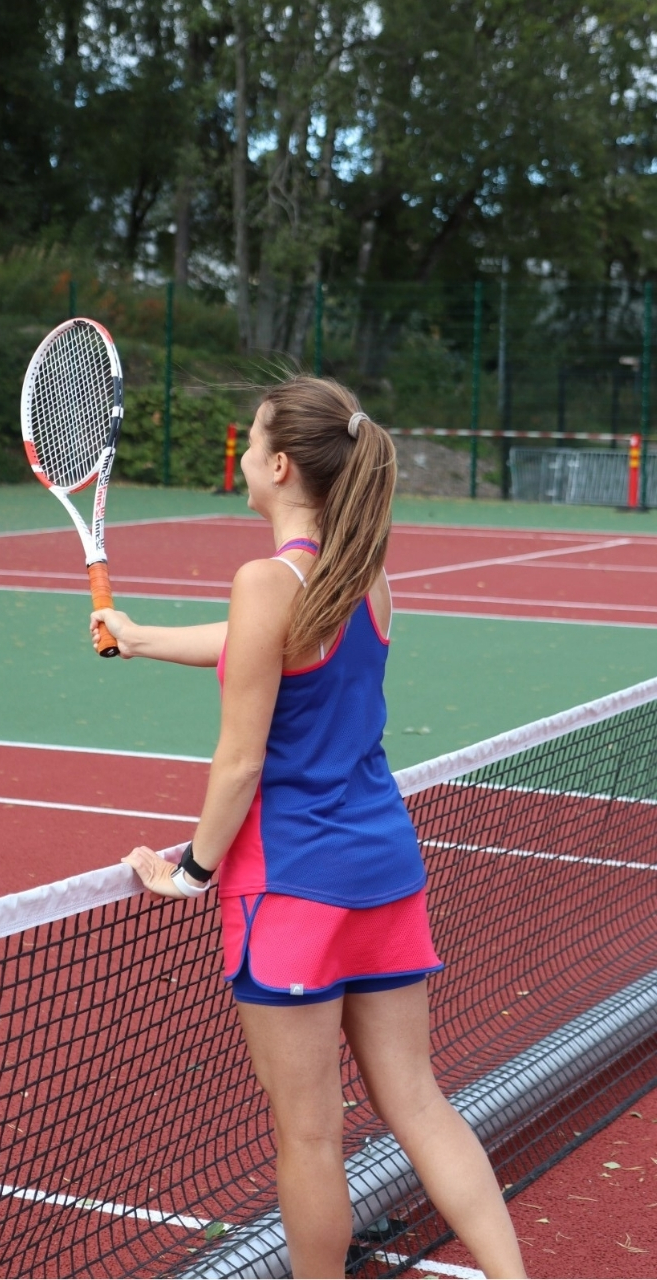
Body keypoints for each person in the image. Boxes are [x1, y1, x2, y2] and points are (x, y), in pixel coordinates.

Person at [98, 377, 523, 1278]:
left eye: (251, 446)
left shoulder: (266, 582)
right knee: (419, 1103)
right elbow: (258, 636)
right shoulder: (366, 582)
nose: (245, 460)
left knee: (311, 1134)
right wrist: (140, 637)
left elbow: (241, 762)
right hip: (383, 870)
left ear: (280, 466)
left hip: (289, 889)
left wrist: (192, 872)